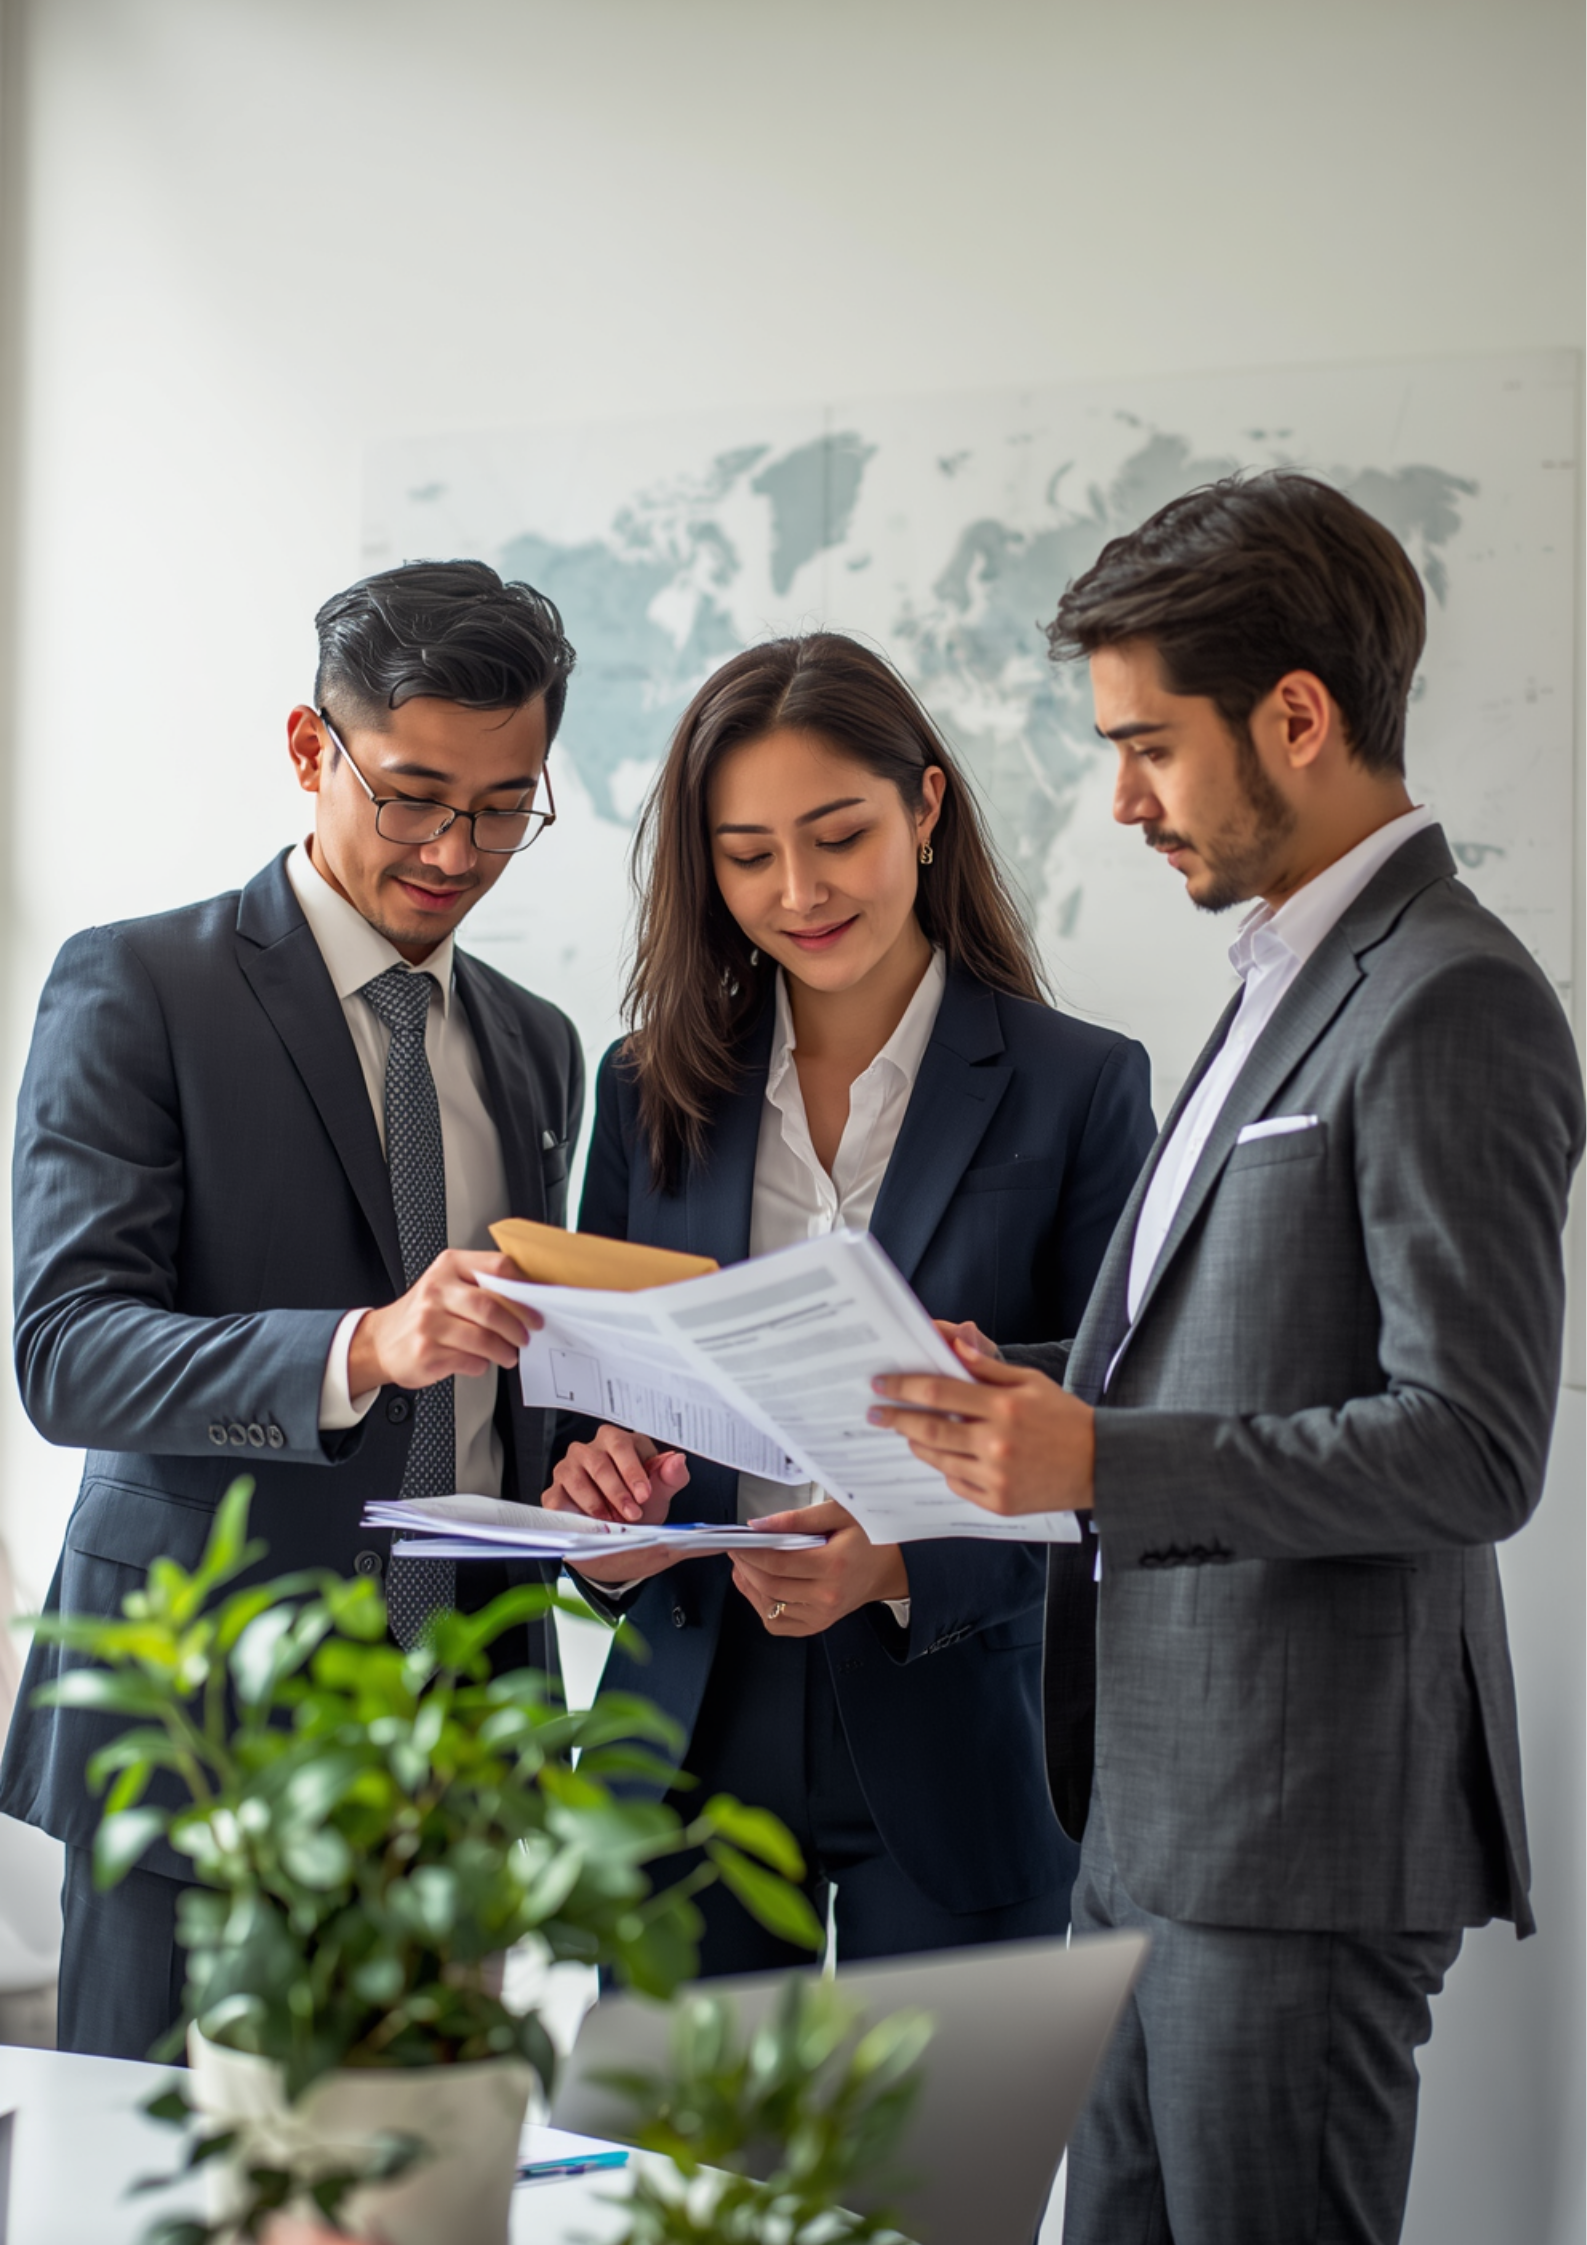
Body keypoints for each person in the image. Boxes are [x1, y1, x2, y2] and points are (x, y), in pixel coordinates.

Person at [870, 473, 1586, 2245]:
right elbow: (1233, 1334)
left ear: (1295, 715)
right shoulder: (1286, 971)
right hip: (1146, 1817)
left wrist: (1096, 1463)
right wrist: (1016, 1384)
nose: (1116, 801)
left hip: (1294, 1846)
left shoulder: (1450, 998)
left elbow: (1472, 1446)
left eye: (1148, 747)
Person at [0, 561, 580, 2061]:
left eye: (504, 806)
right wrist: (359, 1346)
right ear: (310, 749)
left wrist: (595, 1463)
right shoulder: (137, 986)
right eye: (413, 795)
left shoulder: (536, 1045)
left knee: (421, 2187)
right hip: (195, 1725)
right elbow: (66, 1352)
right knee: (143, 2188)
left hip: (457, 1741)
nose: (457, 850)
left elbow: (510, 1373)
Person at [542, 632, 1154, 1973]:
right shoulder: (646, 1089)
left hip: (956, 1730)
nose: (798, 890)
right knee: (668, 2182)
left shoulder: (1079, 1088)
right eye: (747, 852)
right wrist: (599, 1524)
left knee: (924, 2185)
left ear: (925, 810)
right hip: (682, 1741)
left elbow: (1123, 1438)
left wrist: (898, 1563)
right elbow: (582, 1409)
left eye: (837, 837)